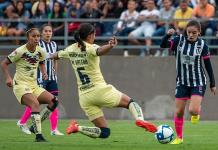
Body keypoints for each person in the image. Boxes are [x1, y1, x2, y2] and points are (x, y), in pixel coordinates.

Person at [49, 23, 157, 139]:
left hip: (84, 97)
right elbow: (99, 51)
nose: (94, 37)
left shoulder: (71, 49)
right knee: (131, 103)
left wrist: (43, 56)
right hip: (99, 91)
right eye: (94, 34)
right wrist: (110, 46)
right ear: (90, 35)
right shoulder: (90, 47)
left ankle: (77, 128)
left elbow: (55, 55)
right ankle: (140, 120)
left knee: (104, 132)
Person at [160, 20, 216, 144]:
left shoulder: (203, 45)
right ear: (186, 31)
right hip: (182, 82)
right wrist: (168, 35)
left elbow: (208, 65)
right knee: (179, 112)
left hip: (198, 81)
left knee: (192, 110)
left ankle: (197, 113)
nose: (191, 35)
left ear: (199, 33)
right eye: (189, 32)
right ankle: (179, 138)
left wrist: (213, 84)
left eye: (194, 33)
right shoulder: (178, 40)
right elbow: (162, 45)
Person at [0, 27, 59, 142]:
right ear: (28, 38)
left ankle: (34, 126)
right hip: (20, 85)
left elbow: (41, 61)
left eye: (38, 36)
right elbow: (4, 63)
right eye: (34, 36)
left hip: (34, 85)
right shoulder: (20, 51)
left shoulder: (40, 50)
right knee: (35, 104)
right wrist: (8, 77)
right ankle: (39, 136)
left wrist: (44, 72)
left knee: (54, 102)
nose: (36, 38)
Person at [16, 24, 64, 136]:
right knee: (34, 102)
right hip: (39, 78)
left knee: (54, 101)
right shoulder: (38, 44)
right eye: (46, 31)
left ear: (52, 33)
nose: (48, 33)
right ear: (42, 33)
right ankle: (22, 122)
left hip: (52, 78)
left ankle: (54, 129)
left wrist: (55, 73)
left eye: (50, 31)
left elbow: (56, 60)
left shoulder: (54, 44)